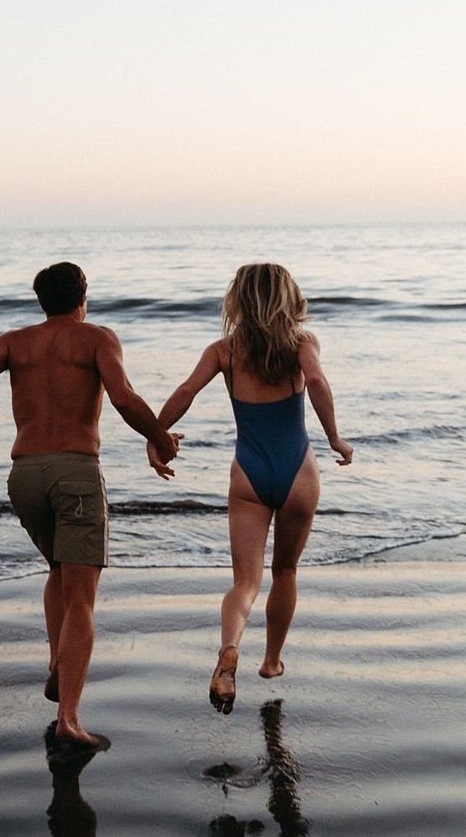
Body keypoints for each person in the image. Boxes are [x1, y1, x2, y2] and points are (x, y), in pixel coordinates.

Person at [0, 262, 180, 746]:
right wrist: (160, 437)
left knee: (57, 569)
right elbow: (122, 397)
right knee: (83, 595)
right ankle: (69, 719)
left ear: (41, 300)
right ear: (83, 296)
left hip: (24, 476)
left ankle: (57, 662)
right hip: (74, 473)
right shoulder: (96, 337)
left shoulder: (15, 341)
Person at [148, 263, 352, 715]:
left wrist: (158, 435)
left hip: (249, 475)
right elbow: (316, 381)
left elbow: (186, 391)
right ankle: (272, 661)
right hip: (299, 472)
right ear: (288, 297)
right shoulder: (302, 345)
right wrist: (335, 437)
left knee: (245, 582)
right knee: (286, 572)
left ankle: (228, 651)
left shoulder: (225, 351)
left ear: (237, 300)